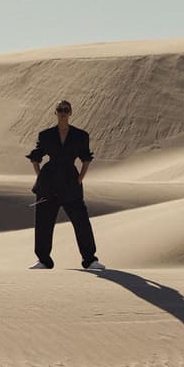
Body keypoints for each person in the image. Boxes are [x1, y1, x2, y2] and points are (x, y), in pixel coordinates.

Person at [25, 100, 105, 270]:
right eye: (60, 109)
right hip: (49, 182)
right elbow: (36, 157)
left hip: (70, 181)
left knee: (81, 220)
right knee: (43, 222)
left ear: (70, 113)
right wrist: (41, 177)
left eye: (66, 110)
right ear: (55, 113)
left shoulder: (80, 135)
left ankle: (90, 260)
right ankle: (43, 260)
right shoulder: (45, 135)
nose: (63, 112)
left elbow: (86, 158)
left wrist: (81, 178)